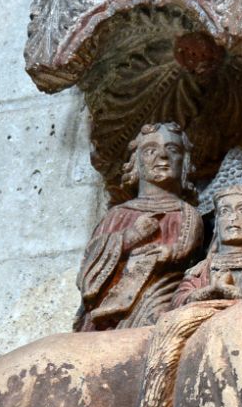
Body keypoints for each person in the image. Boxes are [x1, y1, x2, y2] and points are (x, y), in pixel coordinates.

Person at [75, 122, 203, 331]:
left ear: (185, 163)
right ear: (136, 163)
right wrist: (128, 238)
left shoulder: (187, 214)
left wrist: (168, 253)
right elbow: (88, 268)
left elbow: (187, 251)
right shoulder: (117, 214)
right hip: (112, 303)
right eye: (150, 150)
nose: (162, 156)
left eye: (173, 150)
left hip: (161, 295)